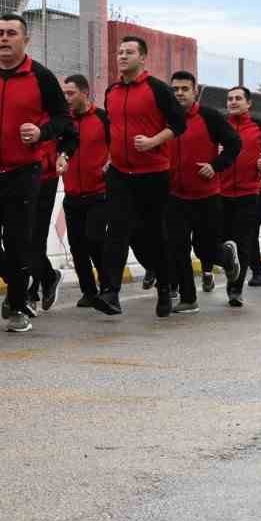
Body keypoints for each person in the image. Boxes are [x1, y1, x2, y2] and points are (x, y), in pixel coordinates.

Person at [0, 13, 71, 334]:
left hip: (23, 171)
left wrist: (41, 133)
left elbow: (63, 120)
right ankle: (23, 282)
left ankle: (17, 305)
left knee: (17, 242)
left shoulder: (41, 77)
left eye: (11, 33)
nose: (3, 38)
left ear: (25, 40)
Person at [96, 35, 186, 318]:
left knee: (152, 235)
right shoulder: (111, 91)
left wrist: (153, 141)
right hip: (120, 174)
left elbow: (178, 123)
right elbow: (114, 129)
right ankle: (110, 292)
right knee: (117, 230)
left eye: (129, 52)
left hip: (153, 174)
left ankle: (165, 285)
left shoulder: (157, 89)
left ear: (142, 57)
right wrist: (111, 158)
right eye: (120, 52)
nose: (122, 56)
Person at [164, 71, 240, 314]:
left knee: (205, 250)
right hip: (174, 196)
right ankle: (188, 298)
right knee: (178, 248)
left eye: (184, 89)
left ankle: (225, 256)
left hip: (206, 196)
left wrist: (215, 166)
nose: (179, 93)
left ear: (195, 91)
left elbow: (234, 144)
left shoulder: (210, 117)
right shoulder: (163, 118)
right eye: (175, 89)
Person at [221, 87, 261, 302]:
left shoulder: (260, 127)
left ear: (248, 103)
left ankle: (235, 289)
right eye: (230, 99)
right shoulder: (220, 126)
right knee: (222, 241)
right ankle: (221, 271)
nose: (233, 102)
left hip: (248, 193)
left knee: (243, 242)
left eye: (238, 98)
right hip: (220, 193)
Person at [57, 74, 109, 308]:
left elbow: (118, 144)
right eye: (64, 93)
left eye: (71, 93)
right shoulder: (63, 121)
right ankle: (89, 291)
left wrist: (110, 163)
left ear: (85, 93)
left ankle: (108, 287)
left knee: (95, 239)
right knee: (77, 246)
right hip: (72, 193)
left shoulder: (103, 118)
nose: (66, 98)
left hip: (99, 193)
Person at [25, 129, 70, 316]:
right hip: (19, 174)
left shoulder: (54, 104)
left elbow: (70, 133)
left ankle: (30, 293)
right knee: (18, 235)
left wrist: (63, 155)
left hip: (45, 178)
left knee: (35, 237)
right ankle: (49, 276)